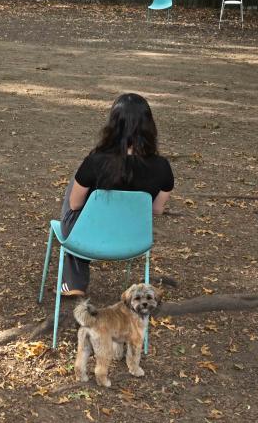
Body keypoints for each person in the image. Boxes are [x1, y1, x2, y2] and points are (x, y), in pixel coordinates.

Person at [58, 93, 173, 296]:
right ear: (149, 126)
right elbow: (156, 210)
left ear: (113, 125)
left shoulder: (96, 160)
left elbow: (75, 205)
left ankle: (74, 281)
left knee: (74, 192)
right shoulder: (163, 167)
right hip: (132, 239)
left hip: (89, 236)